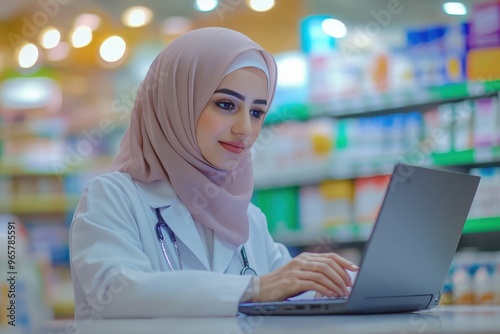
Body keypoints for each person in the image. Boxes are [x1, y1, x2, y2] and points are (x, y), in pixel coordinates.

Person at [69, 27, 359, 320]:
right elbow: (116, 293)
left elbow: (293, 291)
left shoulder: (248, 218)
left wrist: (345, 284)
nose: (245, 128)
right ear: (176, 103)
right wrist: (252, 289)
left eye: (257, 112)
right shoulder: (112, 197)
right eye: (226, 105)